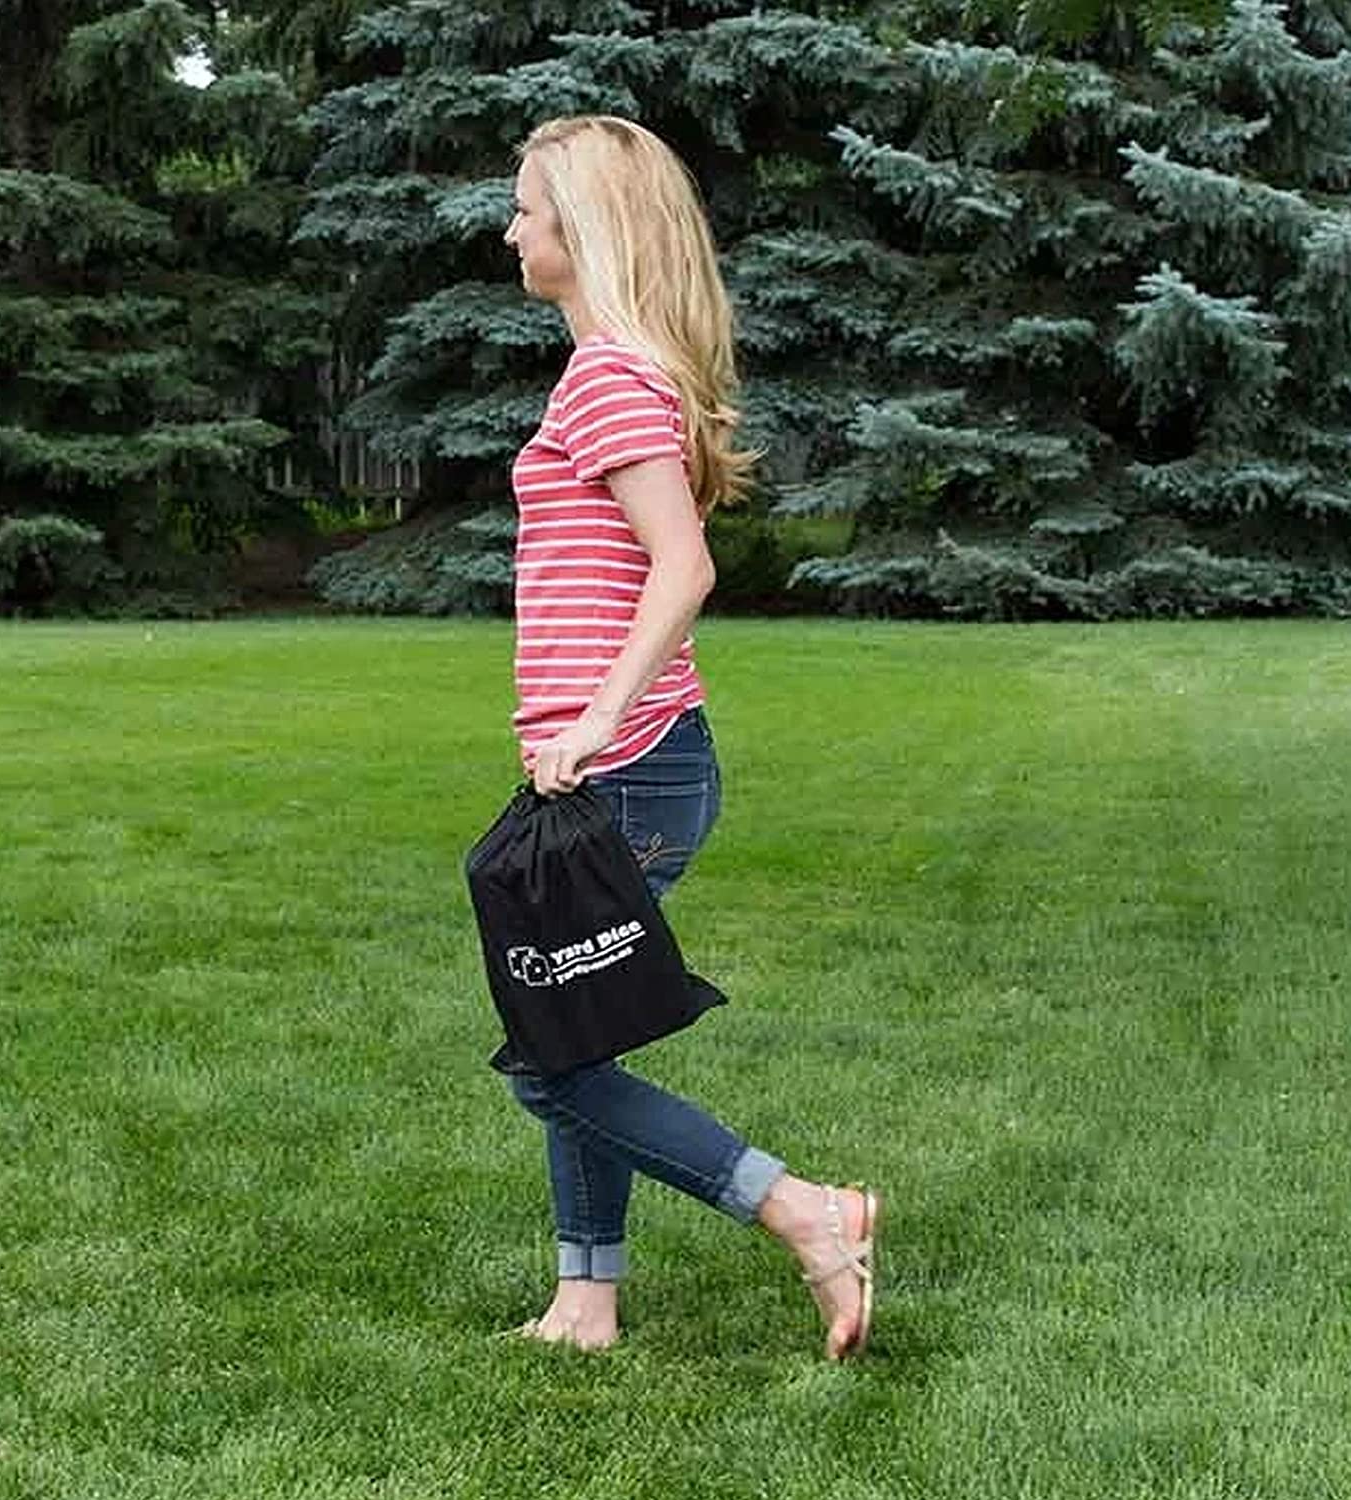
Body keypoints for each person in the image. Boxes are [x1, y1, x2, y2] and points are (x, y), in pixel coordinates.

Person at [498, 115, 879, 1359]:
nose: (512, 232)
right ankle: (586, 1300)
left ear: (586, 232)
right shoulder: (616, 369)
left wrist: (598, 719)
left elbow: (685, 565)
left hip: (629, 762)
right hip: (619, 762)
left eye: (530, 213)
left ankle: (804, 1211)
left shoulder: (607, 376)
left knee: (551, 1059)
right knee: (576, 1028)